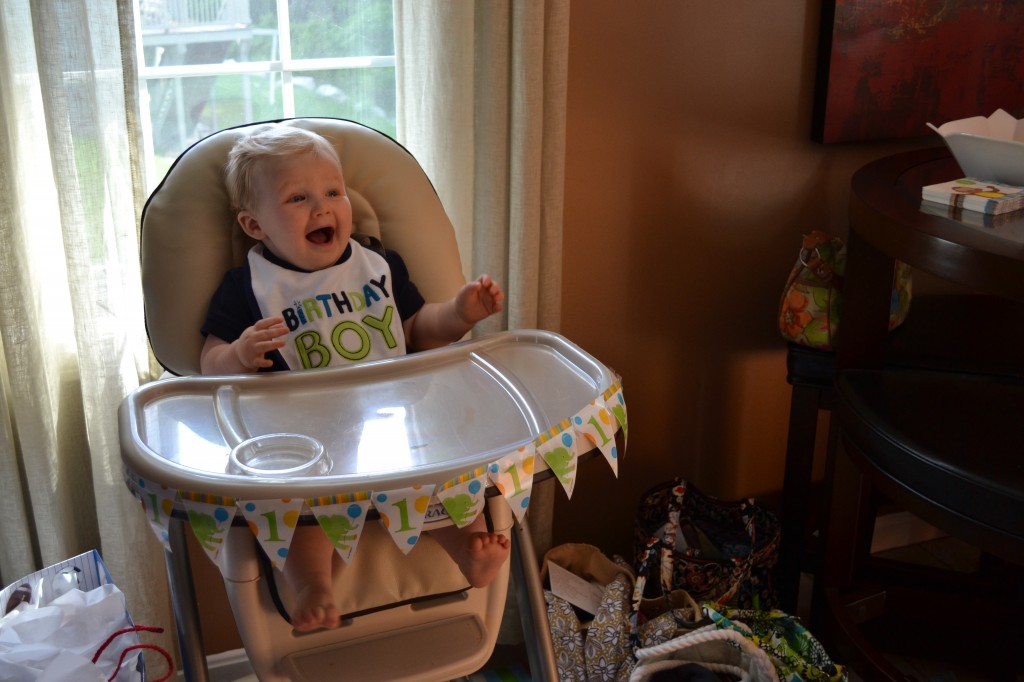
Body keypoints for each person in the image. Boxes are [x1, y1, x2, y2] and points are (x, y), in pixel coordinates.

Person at [200, 123, 510, 631]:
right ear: (254, 227)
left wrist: (459, 312)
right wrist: (238, 353)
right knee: (300, 510)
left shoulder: (378, 264)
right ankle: (314, 585)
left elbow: (416, 330)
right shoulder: (247, 289)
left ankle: (468, 548)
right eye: (297, 198)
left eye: (333, 192)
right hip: (306, 440)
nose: (322, 208)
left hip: (396, 425)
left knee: (445, 480)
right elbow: (208, 363)